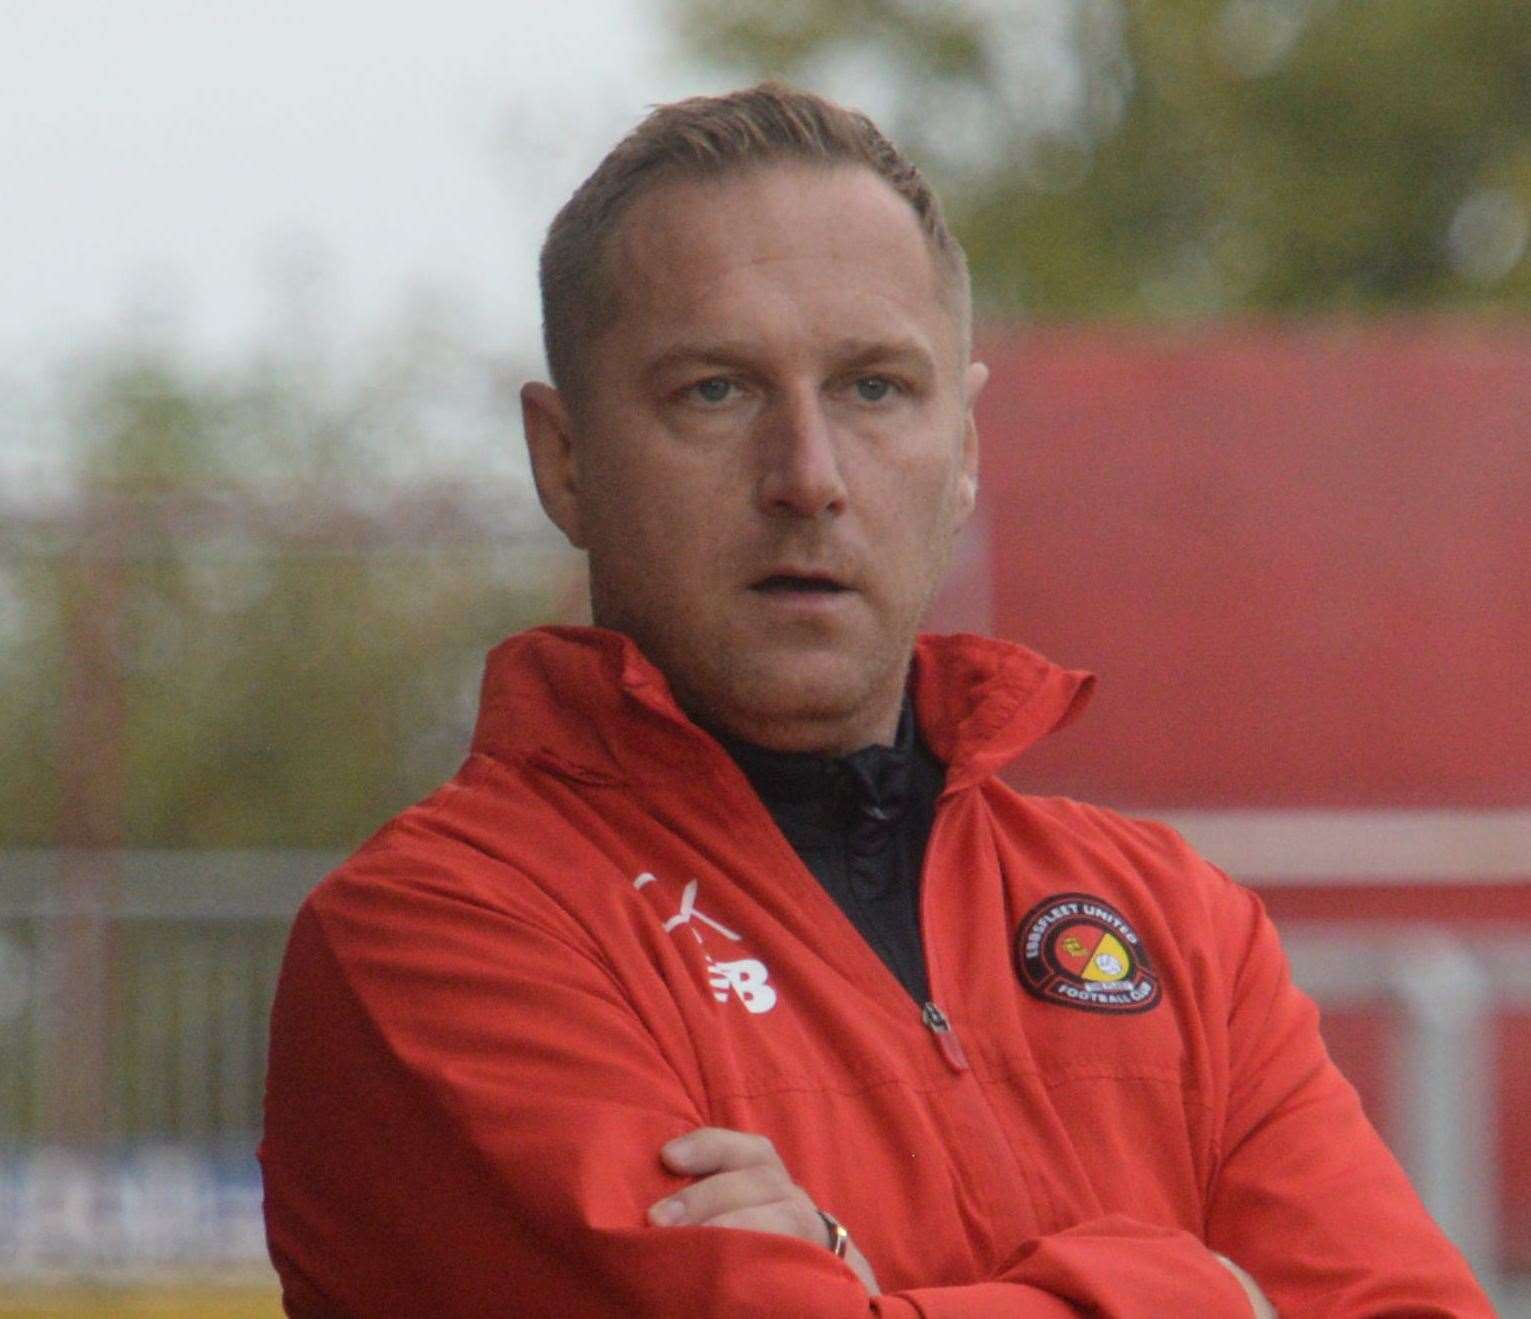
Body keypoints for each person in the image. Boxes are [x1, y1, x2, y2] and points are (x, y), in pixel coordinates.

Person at [260, 84, 1493, 1317]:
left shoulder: (1177, 928)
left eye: (874, 389)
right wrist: (1219, 1298)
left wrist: (872, 1290)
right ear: (564, 459)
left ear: (963, 448)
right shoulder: (437, 939)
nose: (807, 476)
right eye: (715, 390)